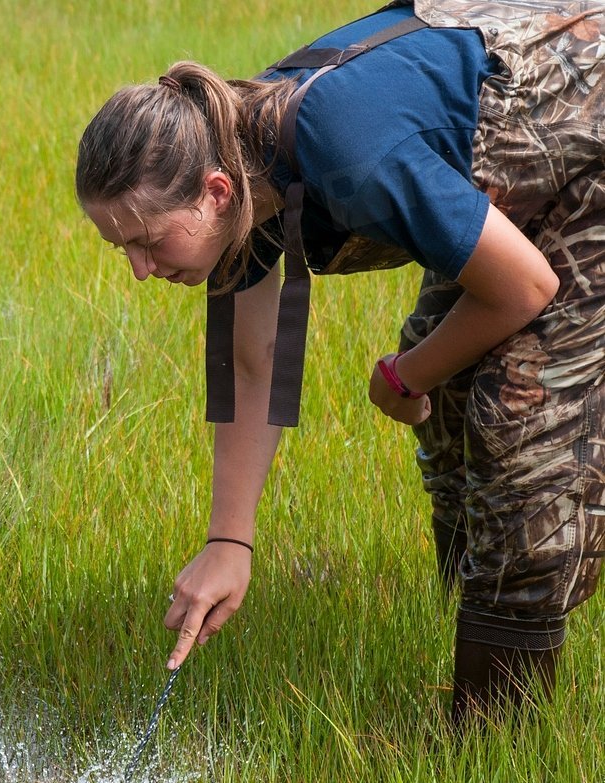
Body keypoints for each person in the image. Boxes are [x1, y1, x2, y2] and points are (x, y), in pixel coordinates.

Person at [75, 0, 603, 727]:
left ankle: (496, 742)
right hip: (503, 162)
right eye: (122, 249)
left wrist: (403, 376)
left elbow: (524, 287)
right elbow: (254, 366)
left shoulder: (345, 150)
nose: (140, 269)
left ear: (214, 193)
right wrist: (228, 542)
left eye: (149, 241)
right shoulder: (234, 163)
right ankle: (458, 626)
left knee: (519, 431)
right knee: (452, 398)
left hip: (584, 134)